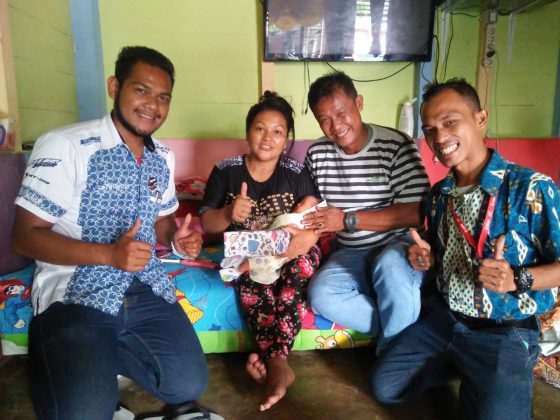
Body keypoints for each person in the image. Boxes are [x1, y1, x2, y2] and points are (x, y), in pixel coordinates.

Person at [11, 46, 222, 420]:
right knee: (82, 413)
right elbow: (25, 236)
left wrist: (176, 238)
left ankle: (98, 357)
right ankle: (66, 362)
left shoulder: (162, 157)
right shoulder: (66, 145)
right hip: (76, 289)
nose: (152, 105)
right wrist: (109, 255)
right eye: (141, 90)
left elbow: (162, 221)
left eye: (163, 97)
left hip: (144, 284)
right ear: (114, 87)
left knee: (187, 386)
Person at [371, 78, 560, 419]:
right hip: (446, 321)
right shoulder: (439, 195)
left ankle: (486, 375)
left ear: (480, 119)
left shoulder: (530, 187)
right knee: (388, 386)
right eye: (430, 130)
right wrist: (426, 259)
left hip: (504, 330)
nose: (439, 137)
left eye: (450, 122)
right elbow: (439, 254)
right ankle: (467, 368)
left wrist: (518, 279)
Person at [199, 91, 322, 411]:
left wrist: (303, 237)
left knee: (295, 275)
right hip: (249, 254)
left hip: (292, 249)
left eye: (277, 131)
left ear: (287, 138)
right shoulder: (226, 171)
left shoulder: (296, 173)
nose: (268, 137)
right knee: (254, 284)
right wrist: (228, 213)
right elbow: (207, 222)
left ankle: (276, 363)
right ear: (247, 132)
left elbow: (314, 219)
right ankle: (279, 365)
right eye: (260, 128)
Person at [302, 71, 430, 351]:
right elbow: (311, 206)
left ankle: (395, 358)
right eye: (325, 119)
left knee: (390, 266)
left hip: (398, 245)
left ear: (358, 103)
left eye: (341, 113)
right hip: (351, 252)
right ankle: (410, 332)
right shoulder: (317, 154)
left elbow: (417, 212)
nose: (336, 126)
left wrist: (348, 219)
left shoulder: (396, 145)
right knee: (321, 294)